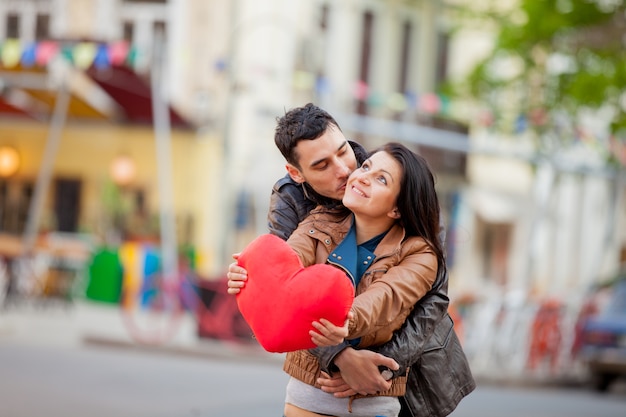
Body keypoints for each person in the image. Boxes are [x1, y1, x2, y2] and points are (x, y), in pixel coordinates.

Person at [227, 103, 475, 417]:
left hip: (391, 378)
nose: (348, 171)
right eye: (322, 165)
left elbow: (416, 297)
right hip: (311, 388)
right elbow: (288, 271)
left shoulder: (403, 190)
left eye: (345, 152)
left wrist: (381, 367)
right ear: (297, 173)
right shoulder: (313, 216)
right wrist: (253, 274)